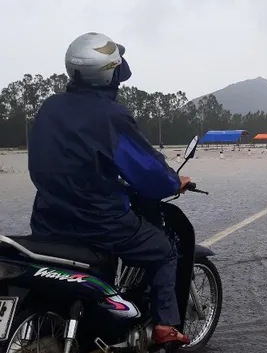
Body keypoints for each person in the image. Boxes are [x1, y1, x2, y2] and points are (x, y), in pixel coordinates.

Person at [27, 32, 191, 345]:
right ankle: (164, 327)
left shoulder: (49, 108)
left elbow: (65, 162)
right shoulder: (111, 116)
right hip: (99, 223)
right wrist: (175, 181)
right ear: (108, 73)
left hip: (48, 219)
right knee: (164, 250)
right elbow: (148, 173)